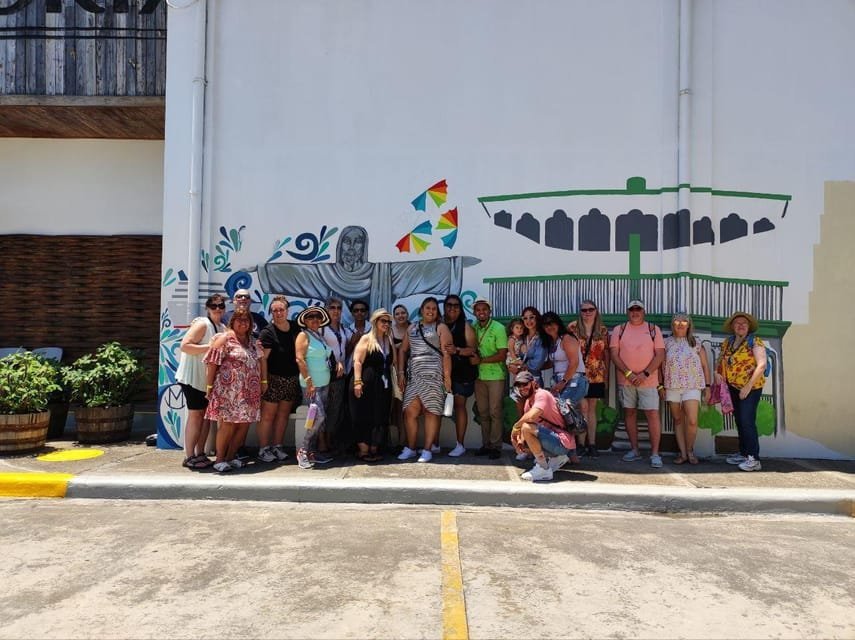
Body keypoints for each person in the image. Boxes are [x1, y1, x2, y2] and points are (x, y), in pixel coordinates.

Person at [203, 308, 267, 473]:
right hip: (228, 391)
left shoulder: (253, 341)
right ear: (232, 321)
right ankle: (219, 459)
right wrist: (209, 386)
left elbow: (262, 361)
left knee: (244, 425)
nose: (243, 323)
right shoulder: (224, 339)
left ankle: (231, 457)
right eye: (239, 319)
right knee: (228, 424)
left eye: (246, 320)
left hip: (249, 391)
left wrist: (263, 381)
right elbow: (212, 363)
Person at [609, 299, 666, 468]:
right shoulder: (619, 330)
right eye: (632, 309)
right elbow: (614, 355)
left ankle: (655, 454)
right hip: (626, 381)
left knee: (652, 414)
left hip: (649, 381)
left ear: (644, 312)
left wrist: (644, 374)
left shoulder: (653, 329)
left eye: (638, 309)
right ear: (628, 312)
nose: (635, 312)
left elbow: (660, 355)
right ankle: (635, 450)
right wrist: (629, 374)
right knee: (630, 413)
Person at [396, 297, 453, 462]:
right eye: (428, 308)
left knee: (431, 411)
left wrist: (447, 377)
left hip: (434, 375)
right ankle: (411, 448)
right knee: (410, 411)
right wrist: (401, 373)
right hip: (414, 375)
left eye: (434, 308)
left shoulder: (441, 327)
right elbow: (403, 350)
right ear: (421, 310)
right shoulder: (412, 327)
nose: (431, 311)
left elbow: (447, 354)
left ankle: (427, 449)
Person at [175, 293, 227, 470]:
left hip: (206, 381)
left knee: (205, 417)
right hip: (192, 378)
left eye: (221, 306)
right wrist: (210, 347)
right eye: (214, 306)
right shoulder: (202, 324)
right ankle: (189, 455)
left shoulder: (222, 328)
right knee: (196, 415)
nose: (217, 309)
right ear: (207, 308)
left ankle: (200, 453)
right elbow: (185, 346)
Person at [715, 311, 767, 472]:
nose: (741, 325)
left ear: (749, 326)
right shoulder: (728, 342)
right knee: (739, 420)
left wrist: (748, 386)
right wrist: (717, 373)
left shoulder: (755, 341)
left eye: (744, 323)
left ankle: (754, 458)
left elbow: (762, 365)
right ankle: (744, 453)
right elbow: (721, 360)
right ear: (732, 326)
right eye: (737, 323)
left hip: (751, 388)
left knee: (747, 421)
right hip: (733, 387)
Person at [661, 313, 711, 465]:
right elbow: (660, 365)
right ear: (672, 324)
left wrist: (707, 387)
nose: (680, 324)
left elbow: (705, 366)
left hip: (692, 386)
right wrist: (660, 386)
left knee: (692, 421)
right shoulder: (666, 343)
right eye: (677, 321)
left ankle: (690, 450)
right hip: (672, 386)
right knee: (677, 420)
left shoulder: (696, 343)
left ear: (689, 325)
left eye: (684, 321)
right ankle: (682, 453)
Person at [256, 295, 300, 463]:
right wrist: (264, 381)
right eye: (275, 310)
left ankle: (277, 446)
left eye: (281, 310)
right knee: (268, 416)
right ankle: (264, 449)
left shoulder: (295, 327)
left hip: (291, 378)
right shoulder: (267, 332)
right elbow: (263, 359)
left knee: (283, 415)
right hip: (273, 379)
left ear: (287, 311)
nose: (278, 313)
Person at [510, 371, 577, 482]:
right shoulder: (528, 402)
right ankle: (555, 458)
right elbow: (526, 425)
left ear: (533, 383)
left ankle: (543, 469)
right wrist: (519, 442)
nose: (522, 388)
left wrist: (515, 428)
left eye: (525, 384)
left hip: (562, 442)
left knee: (526, 427)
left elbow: (531, 417)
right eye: (518, 385)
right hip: (553, 440)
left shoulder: (542, 395)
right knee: (523, 440)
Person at [349, 309, 396, 462]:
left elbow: (393, 362)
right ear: (375, 322)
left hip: (383, 385)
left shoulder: (389, 340)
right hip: (366, 382)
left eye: (389, 322)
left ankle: (374, 447)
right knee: (364, 414)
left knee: (380, 414)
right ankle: (363, 449)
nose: (386, 324)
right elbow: (357, 361)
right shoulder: (366, 339)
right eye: (383, 321)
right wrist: (357, 382)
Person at [294, 306, 335, 469]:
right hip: (311, 385)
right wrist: (309, 381)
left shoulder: (319, 336)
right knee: (318, 416)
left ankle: (311, 451)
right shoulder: (303, 335)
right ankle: (303, 450)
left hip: (324, 383)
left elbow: (326, 356)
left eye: (318, 317)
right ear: (304, 320)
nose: (315, 320)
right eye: (310, 317)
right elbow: (300, 359)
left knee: (316, 418)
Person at [568, 300, 610, 457]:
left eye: (590, 309)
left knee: (592, 408)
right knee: (582, 407)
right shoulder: (573, 328)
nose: (587, 312)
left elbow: (606, 354)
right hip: (578, 374)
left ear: (596, 311)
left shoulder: (602, 330)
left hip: (596, 374)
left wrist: (606, 376)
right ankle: (581, 443)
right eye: (584, 310)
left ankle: (592, 443)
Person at [472, 298, 508, 460]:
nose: (481, 312)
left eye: (484, 309)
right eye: (478, 310)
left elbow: (502, 355)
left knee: (495, 412)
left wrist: (481, 360)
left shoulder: (498, 328)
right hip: (479, 376)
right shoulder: (473, 328)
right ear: (474, 312)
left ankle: (496, 446)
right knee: (483, 412)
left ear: (489, 311)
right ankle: (486, 444)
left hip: (496, 376)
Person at [442, 294, 478, 457]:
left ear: (461, 308)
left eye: (456, 305)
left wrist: (456, 350)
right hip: (441, 372)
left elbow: (472, 350)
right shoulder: (439, 323)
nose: (452, 308)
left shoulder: (465, 326)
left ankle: (460, 444)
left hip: (462, 373)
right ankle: (433, 444)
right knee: (435, 407)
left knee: (459, 406)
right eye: (449, 305)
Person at [320, 297, 352, 455]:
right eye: (332, 307)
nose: (336, 311)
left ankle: (329, 438)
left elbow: (348, 347)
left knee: (335, 408)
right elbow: (319, 349)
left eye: (339, 308)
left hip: (340, 375)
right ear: (326, 309)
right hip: (324, 373)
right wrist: (334, 361)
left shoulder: (344, 329)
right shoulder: (321, 329)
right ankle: (321, 441)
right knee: (322, 407)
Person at [389, 304, 410, 446]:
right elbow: (392, 354)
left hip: (413, 372)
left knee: (408, 409)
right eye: (397, 314)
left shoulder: (413, 328)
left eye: (403, 313)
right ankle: (397, 442)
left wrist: (400, 347)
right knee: (396, 408)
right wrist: (398, 375)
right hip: (396, 373)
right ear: (394, 317)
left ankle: (406, 442)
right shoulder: (390, 330)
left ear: (407, 314)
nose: (400, 316)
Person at [517, 306, 548, 385]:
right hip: (520, 379)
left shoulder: (542, 337)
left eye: (531, 317)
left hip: (534, 380)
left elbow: (537, 363)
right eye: (525, 318)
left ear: (537, 318)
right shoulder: (522, 337)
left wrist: (521, 366)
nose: (528, 321)